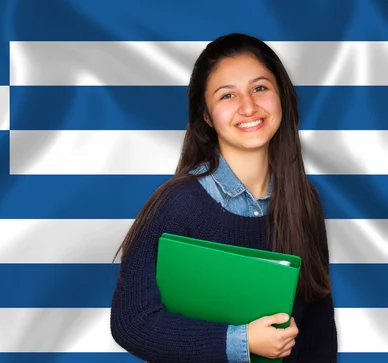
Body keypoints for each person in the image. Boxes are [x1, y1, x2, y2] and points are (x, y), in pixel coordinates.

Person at [109, 33, 338, 363]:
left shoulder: (305, 201)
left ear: (282, 98)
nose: (248, 106)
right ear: (206, 115)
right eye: (227, 95)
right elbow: (131, 323)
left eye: (260, 88)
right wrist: (241, 341)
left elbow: (317, 330)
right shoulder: (176, 204)